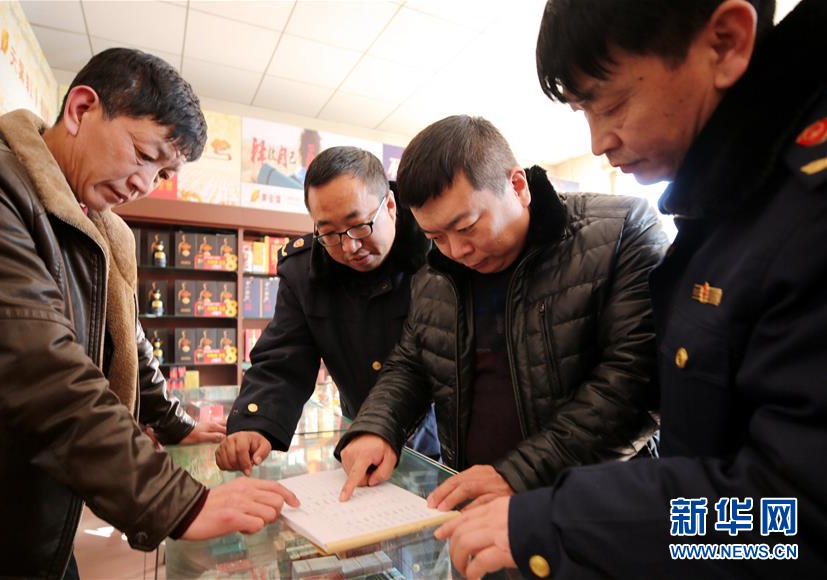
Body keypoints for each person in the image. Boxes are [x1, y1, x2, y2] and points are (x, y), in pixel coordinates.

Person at [439, 0, 827, 577]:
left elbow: (794, 524)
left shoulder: (806, 212)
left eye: (612, 103)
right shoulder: (732, 203)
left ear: (724, 42)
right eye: (583, 112)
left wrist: (559, 522)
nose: (600, 142)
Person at [0, 48, 297, 579]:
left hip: (37, 515)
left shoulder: (99, 225)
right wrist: (174, 500)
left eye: (162, 173)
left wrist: (172, 421)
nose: (145, 184)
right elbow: (35, 366)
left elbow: (127, 341)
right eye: (144, 155)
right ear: (81, 109)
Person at [335, 115, 668, 509]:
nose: (456, 251)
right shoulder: (436, 273)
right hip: (475, 503)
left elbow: (636, 380)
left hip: (594, 505)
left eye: (467, 227)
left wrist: (520, 474)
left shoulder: (622, 231)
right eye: (436, 236)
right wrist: (377, 427)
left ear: (517, 186)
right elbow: (413, 362)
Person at [216, 146, 440, 475]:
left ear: (390, 206)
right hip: (359, 435)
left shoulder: (439, 252)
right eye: (329, 233)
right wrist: (255, 423)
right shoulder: (304, 272)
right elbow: (284, 358)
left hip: (440, 443)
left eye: (359, 225)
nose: (349, 246)